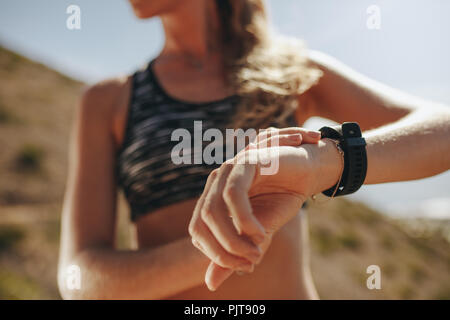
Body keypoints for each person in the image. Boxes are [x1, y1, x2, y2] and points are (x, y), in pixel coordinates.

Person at [57, 0, 450, 299]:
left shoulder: (291, 70)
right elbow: (78, 276)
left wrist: (322, 164)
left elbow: (442, 130)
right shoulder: (108, 100)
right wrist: (225, 249)